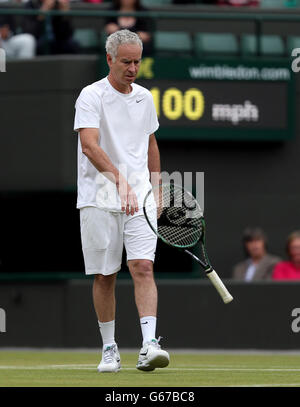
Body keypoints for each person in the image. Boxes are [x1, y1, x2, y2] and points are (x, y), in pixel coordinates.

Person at [73, 29, 169, 373]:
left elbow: (150, 144)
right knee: (105, 275)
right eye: (126, 61)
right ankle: (110, 348)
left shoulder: (145, 97)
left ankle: (149, 345)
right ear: (109, 59)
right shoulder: (90, 96)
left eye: (137, 62)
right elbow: (89, 145)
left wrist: (155, 189)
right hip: (99, 198)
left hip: (140, 196)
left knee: (143, 266)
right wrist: (120, 183)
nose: (132, 68)